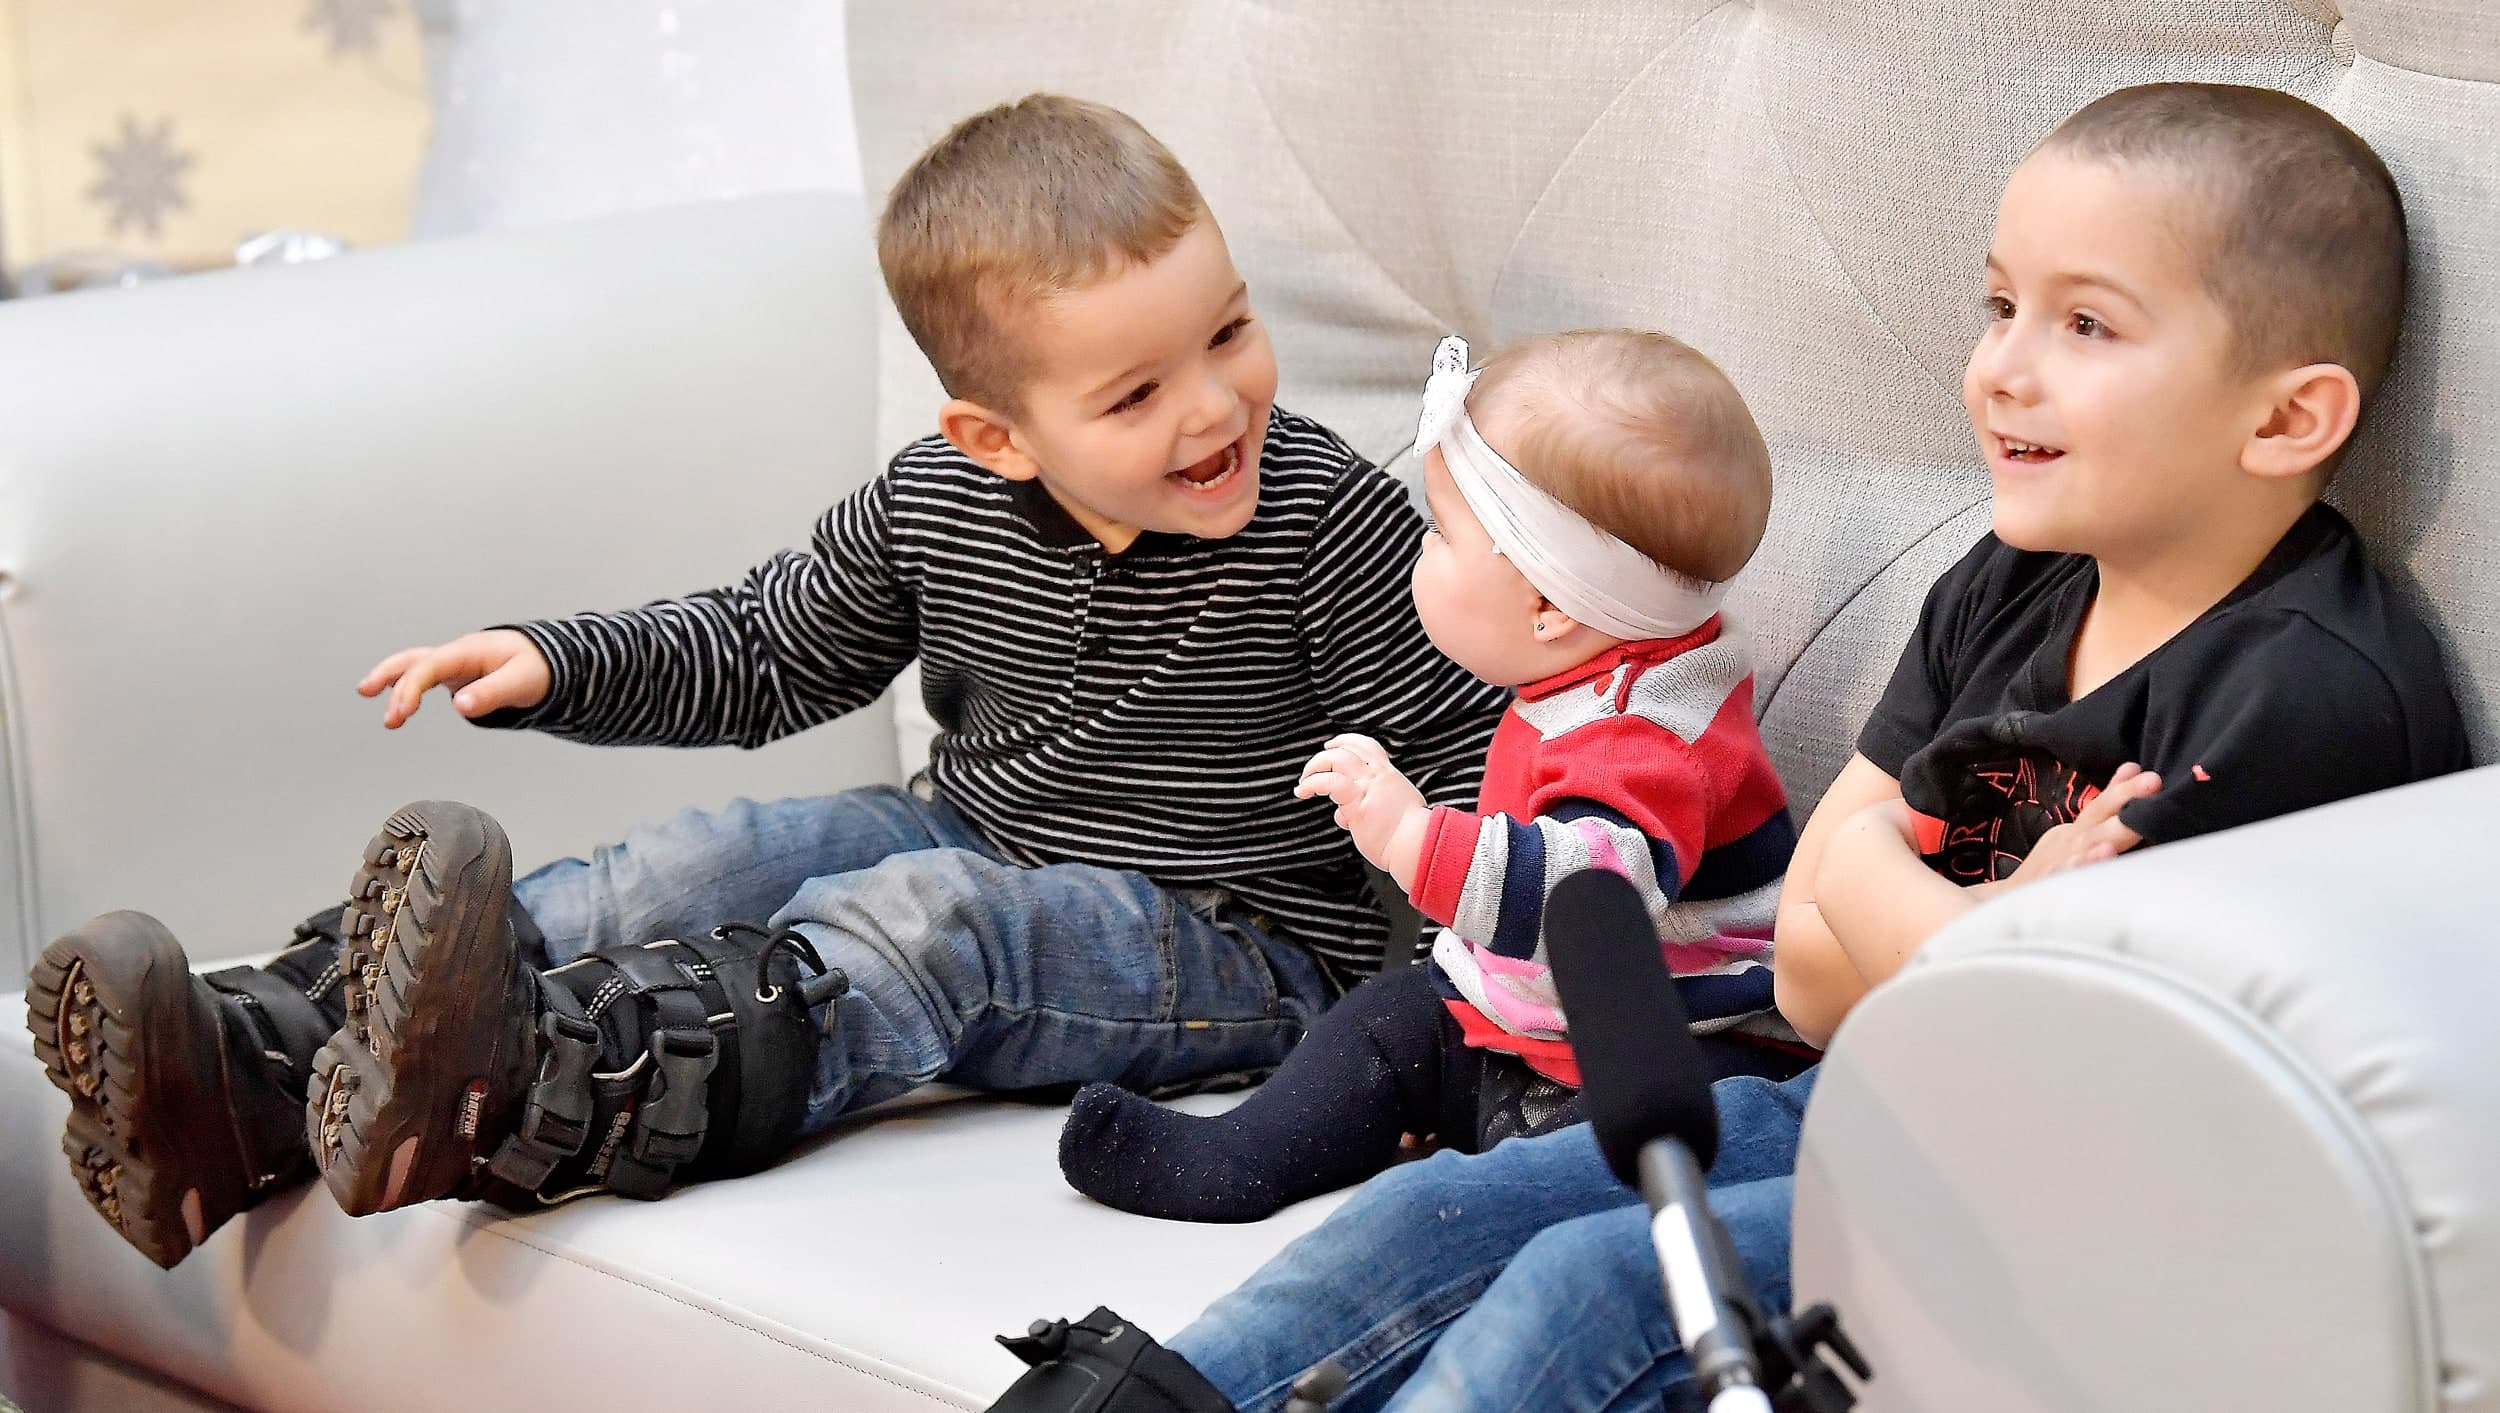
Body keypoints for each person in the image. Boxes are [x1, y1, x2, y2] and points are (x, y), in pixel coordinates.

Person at [986, 81, 2471, 1413]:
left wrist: (1893, 893)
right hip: (1864, 1091)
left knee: (1595, 1290)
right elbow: (1818, 968)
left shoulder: (2309, 692)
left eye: (2083, 325)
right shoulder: (2011, 578)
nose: (2000, 370)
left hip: (2061, 1210)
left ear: (2288, 419)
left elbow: (2064, 1066)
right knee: (1428, 1219)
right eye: (1999, 304)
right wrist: (1982, 927)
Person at [24, 94, 1509, 1270]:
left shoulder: (1327, 521)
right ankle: (251, 1065)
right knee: (729, 852)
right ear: (996, 437)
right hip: (987, 827)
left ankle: (542, 1091)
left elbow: (1469, 753)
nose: (1215, 404)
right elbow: (765, 643)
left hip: (1243, 944)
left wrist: (1501, 996)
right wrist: (557, 661)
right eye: (1135, 394)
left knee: (938, 924)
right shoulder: (937, 505)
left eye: (1230, 333)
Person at [1057, 328, 1803, 1224]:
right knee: (1390, 1018)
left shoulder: (1648, 739)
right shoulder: (1584, 673)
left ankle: (1488, 1182)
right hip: (1522, 1025)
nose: (1419, 550)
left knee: (1600, 1164)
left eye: (1440, 533)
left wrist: (1415, 838)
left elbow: (1588, 899)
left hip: (1666, 1052)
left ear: (1550, 608)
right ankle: (1243, 1154)